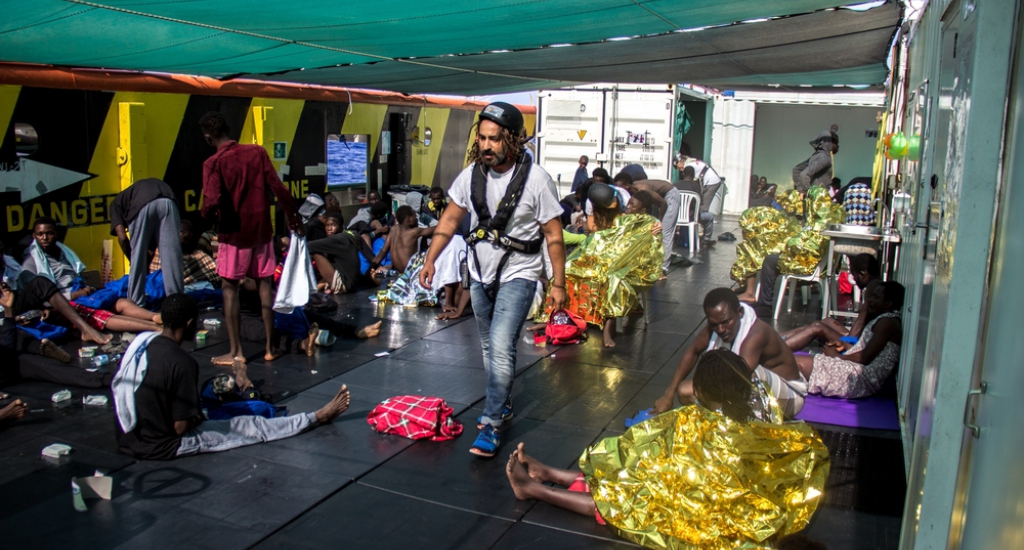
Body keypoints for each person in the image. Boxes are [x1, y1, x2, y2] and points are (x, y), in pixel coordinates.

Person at [505, 350, 829, 548]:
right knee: (633, 478)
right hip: (706, 491)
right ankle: (552, 474)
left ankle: (534, 489)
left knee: (623, 504)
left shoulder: (718, 426)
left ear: (705, 390)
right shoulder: (753, 403)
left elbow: (690, 398)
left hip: (714, 511)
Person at [419, 102, 566, 458]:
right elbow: (450, 220)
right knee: (488, 346)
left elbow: (554, 235)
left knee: (501, 345)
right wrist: (430, 259)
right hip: (479, 270)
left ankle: (490, 423)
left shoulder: (537, 180)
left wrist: (557, 282)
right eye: (482, 138)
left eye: (494, 139)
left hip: (520, 270)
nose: (486, 145)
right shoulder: (470, 175)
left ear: (513, 140)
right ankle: (503, 403)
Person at [112, 294, 352, 460]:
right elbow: (179, 428)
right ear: (188, 323)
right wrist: (195, 418)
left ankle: (243, 386)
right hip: (163, 446)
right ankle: (314, 418)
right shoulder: (182, 363)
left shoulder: (142, 343)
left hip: (129, 439)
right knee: (249, 426)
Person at [199, 111, 304, 366]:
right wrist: (293, 216)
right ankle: (270, 348)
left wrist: (206, 215)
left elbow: (211, 201)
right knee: (265, 287)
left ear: (208, 137)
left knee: (229, 290)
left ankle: (236, 352)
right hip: (261, 232)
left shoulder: (213, 163)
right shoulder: (256, 152)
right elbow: (278, 187)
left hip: (233, 234)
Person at [654, 288, 807, 418]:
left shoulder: (756, 334)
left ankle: (736, 424)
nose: (720, 330)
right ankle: (726, 419)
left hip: (791, 397)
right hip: (746, 389)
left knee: (746, 374)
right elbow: (692, 351)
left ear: (740, 312)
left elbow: (736, 378)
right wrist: (668, 395)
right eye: (714, 324)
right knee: (684, 391)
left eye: (726, 322)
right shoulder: (717, 323)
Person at [566, 183, 661, 348]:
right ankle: (566, 318)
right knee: (572, 268)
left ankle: (607, 328)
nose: (628, 207)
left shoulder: (650, 225)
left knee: (613, 279)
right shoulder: (622, 220)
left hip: (637, 268)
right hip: (614, 262)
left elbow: (645, 254)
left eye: (632, 205)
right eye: (628, 203)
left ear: (643, 211)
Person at [788, 282, 903, 399]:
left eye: (876, 297)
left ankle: (777, 348)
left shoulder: (887, 322)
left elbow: (864, 356)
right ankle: (777, 346)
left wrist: (836, 355)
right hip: (856, 365)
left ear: (887, 303)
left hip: (859, 376)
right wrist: (843, 345)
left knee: (794, 362)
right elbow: (865, 347)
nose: (870, 301)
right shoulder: (885, 320)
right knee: (792, 359)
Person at [110, 178, 184, 306]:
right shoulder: (135, 191)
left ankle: (136, 304)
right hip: (168, 201)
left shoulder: (115, 205)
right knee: (172, 257)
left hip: (142, 204)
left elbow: (122, 237)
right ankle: (176, 303)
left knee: (137, 258)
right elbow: (156, 242)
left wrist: (134, 258)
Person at [310, 212, 379, 293]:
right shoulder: (350, 234)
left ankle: (316, 287)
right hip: (353, 282)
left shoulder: (337, 239)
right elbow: (370, 256)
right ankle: (322, 284)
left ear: (340, 226)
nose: (329, 228)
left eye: (333, 225)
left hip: (344, 284)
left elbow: (309, 246)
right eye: (327, 225)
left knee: (315, 252)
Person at [627, 177, 681, 278]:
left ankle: (663, 269)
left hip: (670, 196)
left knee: (665, 232)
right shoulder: (636, 188)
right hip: (660, 198)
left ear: (628, 186)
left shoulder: (643, 189)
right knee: (653, 231)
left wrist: (659, 220)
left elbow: (663, 203)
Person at [373, 205, 436, 274]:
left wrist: (372, 267)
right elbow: (435, 229)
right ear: (409, 219)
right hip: (410, 273)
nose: (417, 219)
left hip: (398, 271)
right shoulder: (413, 232)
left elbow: (383, 251)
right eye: (415, 216)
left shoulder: (393, 230)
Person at [674, 156, 719, 246]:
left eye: (677, 166)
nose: (678, 169)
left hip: (711, 182)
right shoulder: (695, 186)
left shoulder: (676, 184)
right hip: (691, 216)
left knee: (704, 207)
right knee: (705, 214)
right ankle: (704, 238)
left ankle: (699, 234)